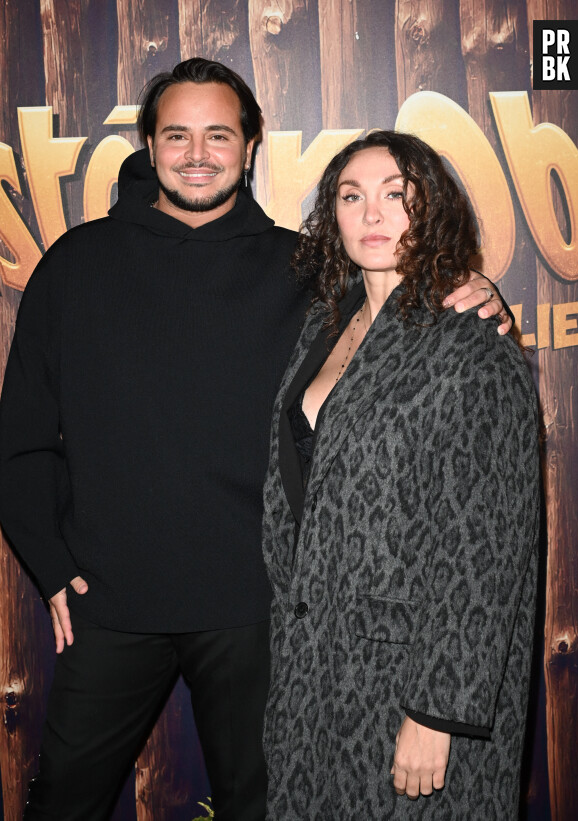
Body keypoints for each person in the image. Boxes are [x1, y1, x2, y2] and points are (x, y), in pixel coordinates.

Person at [0, 56, 510, 821]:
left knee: (268, 805)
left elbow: (402, 286)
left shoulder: (302, 267)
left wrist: (479, 290)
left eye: (217, 135)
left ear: (249, 146)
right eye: (176, 135)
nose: (196, 153)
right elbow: (22, 437)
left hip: (258, 608)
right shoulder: (74, 266)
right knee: (60, 803)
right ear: (146, 143)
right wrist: (48, 562)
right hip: (109, 601)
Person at [261, 130, 539, 819]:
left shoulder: (473, 345)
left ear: (433, 210)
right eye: (352, 197)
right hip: (317, 660)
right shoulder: (326, 323)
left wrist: (437, 711)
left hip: (408, 677)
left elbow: (485, 549)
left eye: (397, 196)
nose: (373, 214)